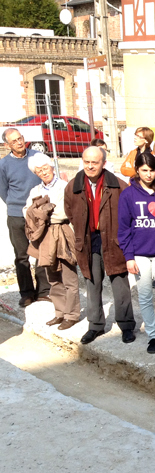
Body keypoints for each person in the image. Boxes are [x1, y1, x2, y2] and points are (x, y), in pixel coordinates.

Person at [64, 146, 135, 345]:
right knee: (92, 283)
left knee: (120, 283)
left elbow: (128, 215)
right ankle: (95, 326)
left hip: (114, 240)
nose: (90, 166)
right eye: (86, 162)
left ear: (103, 163)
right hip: (89, 240)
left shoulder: (118, 185)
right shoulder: (73, 186)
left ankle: (126, 325)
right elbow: (70, 212)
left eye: (95, 162)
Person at [117, 152, 155, 354]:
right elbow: (124, 228)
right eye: (144, 170)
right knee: (144, 296)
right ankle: (153, 336)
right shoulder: (128, 194)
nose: (148, 174)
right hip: (139, 255)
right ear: (137, 170)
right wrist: (128, 256)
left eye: (152, 170)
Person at [23, 153, 79, 330]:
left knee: (69, 276)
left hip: (62, 232)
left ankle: (72, 315)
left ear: (51, 167)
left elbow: (62, 213)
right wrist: (42, 211)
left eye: (45, 168)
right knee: (53, 277)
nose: (43, 173)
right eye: (39, 171)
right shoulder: (35, 191)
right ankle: (59, 312)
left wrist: (38, 212)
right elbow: (27, 212)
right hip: (45, 237)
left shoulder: (64, 187)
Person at [0, 127, 50, 306]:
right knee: (21, 255)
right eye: (14, 141)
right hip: (16, 215)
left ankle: (44, 291)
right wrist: (17, 206)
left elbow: (48, 179)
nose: (19, 142)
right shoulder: (3, 164)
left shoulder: (37, 157)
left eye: (20, 138)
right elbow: (3, 191)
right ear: (7, 145)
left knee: (42, 252)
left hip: (38, 214)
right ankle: (27, 293)